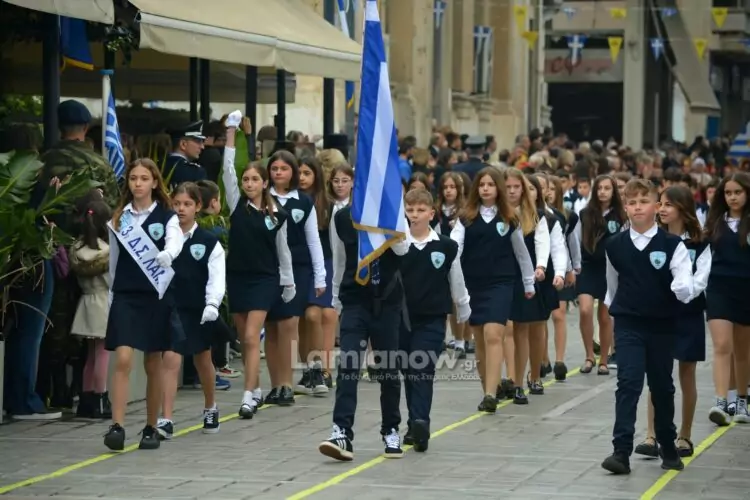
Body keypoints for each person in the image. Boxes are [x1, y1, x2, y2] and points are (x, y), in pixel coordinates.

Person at [601, 178, 694, 475]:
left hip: (661, 325)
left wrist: (683, 288)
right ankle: (621, 451)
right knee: (628, 383)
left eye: (644, 201)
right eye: (632, 202)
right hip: (628, 322)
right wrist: (615, 310)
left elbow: (684, 278)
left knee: (662, 386)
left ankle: (667, 444)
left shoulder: (672, 244)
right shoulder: (614, 245)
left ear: (656, 206)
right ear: (625, 207)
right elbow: (612, 285)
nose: (638, 207)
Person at [103, 158, 185, 451]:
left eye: (144, 178)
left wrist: (168, 254)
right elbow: (113, 261)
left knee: (153, 362)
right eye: (133, 178)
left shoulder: (167, 216)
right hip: (126, 295)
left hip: (156, 295)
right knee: (124, 358)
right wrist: (111, 294)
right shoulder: (119, 219)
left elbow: (176, 241)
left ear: (154, 182)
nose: (138, 183)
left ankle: (151, 426)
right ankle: (117, 426)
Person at [318, 201, 410, 461]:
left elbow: (403, 249)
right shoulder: (342, 217)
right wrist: (336, 298)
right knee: (348, 365)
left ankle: (391, 429)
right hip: (355, 300)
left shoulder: (391, 210)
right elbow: (340, 259)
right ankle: (341, 431)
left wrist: (384, 222)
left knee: (388, 369)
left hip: (386, 300)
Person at [222, 111, 295, 419]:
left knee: (253, 336)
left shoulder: (277, 215)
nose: (249, 183)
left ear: (265, 183)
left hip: (265, 279)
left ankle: (247, 396)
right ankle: (255, 388)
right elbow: (227, 169)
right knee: (245, 339)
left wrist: (288, 282)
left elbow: (283, 251)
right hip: (238, 277)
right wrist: (231, 132)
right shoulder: (237, 204)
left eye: (254, 179)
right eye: (246, 179)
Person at [634, 185, 711, 458]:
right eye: (661, 204)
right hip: (659, 314)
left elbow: (700, 280)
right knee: (657, 373)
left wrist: (681, 293)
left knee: (686, 374)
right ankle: (651, 435)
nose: (662, 209)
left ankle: (685, 436)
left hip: (688, 313)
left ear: (683, 208)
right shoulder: (653, 238)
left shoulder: (699, 244)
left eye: (668, 204)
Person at [451, 168, 535, 410]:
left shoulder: (510, 218)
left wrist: (528, 281)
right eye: (481, 184)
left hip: (501, 283)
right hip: (473, 284)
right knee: (479, 338)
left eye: (490, 184)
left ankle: (490, 395)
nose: (486, 188)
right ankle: (489, 386)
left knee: (493, 334)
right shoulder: (465, 218)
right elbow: (455, 249)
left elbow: (521, 253)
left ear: (498, 188)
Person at [400, 188, 470, 452]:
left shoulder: (446, 246)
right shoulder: (397, 245)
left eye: (420, 210)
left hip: (432, 318)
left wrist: (463, 307)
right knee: (408, 370)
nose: (415, 215)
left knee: (422, 368)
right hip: (402, 318)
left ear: (431, 213)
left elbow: (456, 279)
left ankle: (421, 422)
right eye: (410, 210)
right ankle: (412, 422)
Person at [157, 182, 226, 439]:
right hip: (172, 307)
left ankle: (210, 406)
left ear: (198, 206)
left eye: (187, 204)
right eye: (176, 204)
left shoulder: (208, 242)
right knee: (171, 357)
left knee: (202, 360)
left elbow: (216, 277)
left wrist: (213, 303)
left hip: (198, 308)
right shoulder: (164, 238)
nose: (181, 209)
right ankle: (166, 418)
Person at [70, 197, 113, 419]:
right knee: (103, 354)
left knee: (90, 355)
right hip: (103, 302)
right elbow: (111, 281)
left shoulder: (77, 249)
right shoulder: (107, 252)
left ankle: (85, 401)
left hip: (86, 302)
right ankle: (101, 399)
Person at [163, 121, 207, 189]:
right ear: (183, 144)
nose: (202, 147)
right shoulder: (196, 172)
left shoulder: (158, 165)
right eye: (198, 142)